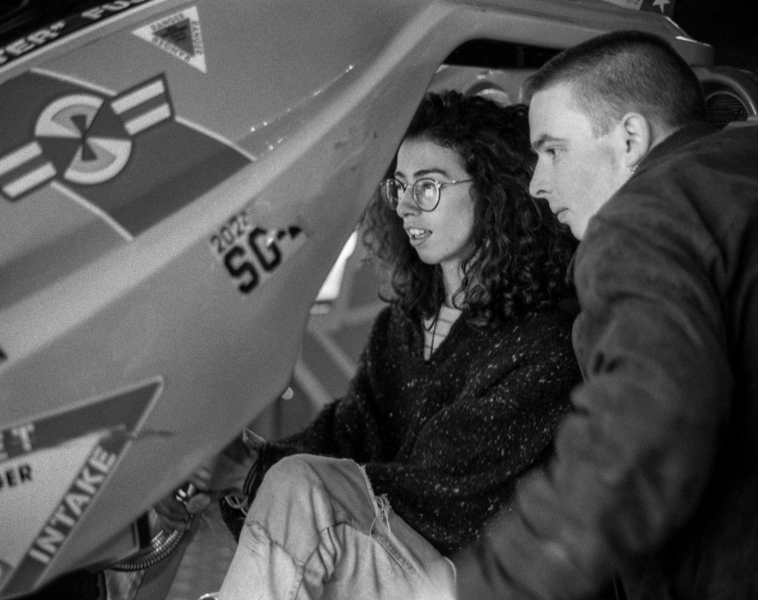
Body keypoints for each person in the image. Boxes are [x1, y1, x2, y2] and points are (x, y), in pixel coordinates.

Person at [159, 90, 581, 600]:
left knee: (296, 485)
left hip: (477, 577)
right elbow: (347, 436)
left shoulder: (544, 341)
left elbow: (447, 494)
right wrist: (244, 459)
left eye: (428, 186)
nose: (404, 205)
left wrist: (257, 473)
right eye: (399, 185)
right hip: (400, 558)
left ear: (494, 191)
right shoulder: (404, 324)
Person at [453, 30, 758, 600]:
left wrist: (490, 586)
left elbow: (646, 424)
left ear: (629, 138)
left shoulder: (640, 217)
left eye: (552, 150)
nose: (539, 185)